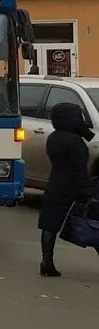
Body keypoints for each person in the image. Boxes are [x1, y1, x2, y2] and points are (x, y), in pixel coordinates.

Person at [39, 102, 98, 276]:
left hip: (55, 183)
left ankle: (46, 260)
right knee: (93, 223)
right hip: (73, 187)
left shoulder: (53, 137)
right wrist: (88, 193)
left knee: (50, 224)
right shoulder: (75, 141)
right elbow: (79, 170)